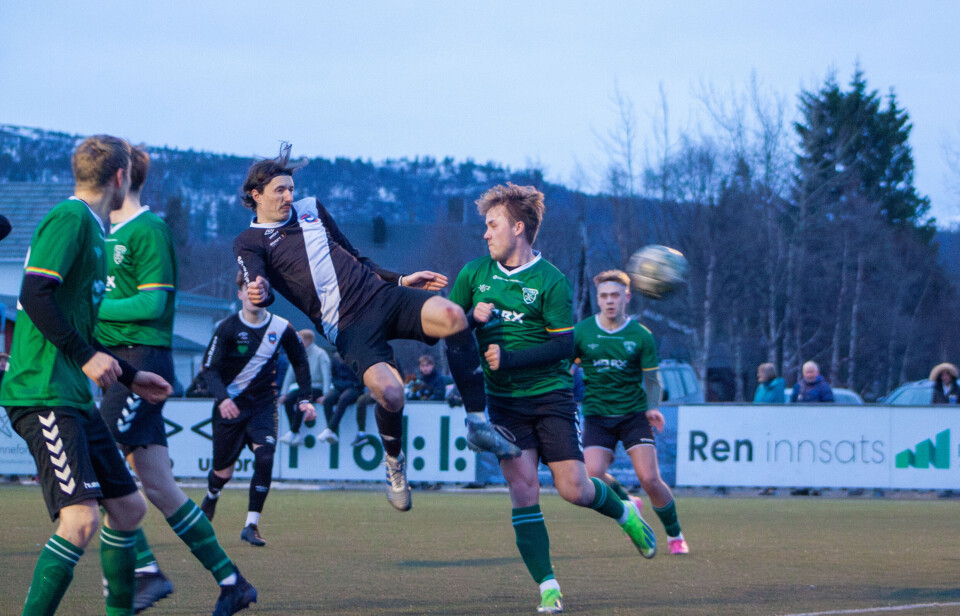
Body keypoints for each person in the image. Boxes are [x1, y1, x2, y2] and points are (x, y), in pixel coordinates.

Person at [232, 145, 520, 512]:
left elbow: (356, 257)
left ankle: (478, 423)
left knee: (453, 316)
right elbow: (258, 283)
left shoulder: (312, 209)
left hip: (382, 296)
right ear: (256, 195)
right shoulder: (250, 241)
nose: (290, 196)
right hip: (348, 327)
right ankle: (394, 464)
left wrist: (401, 279)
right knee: (392, 394)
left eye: (291, 189)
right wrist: (258, 291)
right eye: (280, 191)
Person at [448, 184, 657, 614]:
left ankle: (625, 514)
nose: (485, 234)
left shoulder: (551, 280)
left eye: (493, 225)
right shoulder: (474, 274)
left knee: (574, 489)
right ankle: (548, 586)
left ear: (518, 228)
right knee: (523, 491)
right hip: (503, 404)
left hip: (552, 399)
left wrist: (510, 358)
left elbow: (564, 346)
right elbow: (447, 330)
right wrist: (470, 318)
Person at [0, 135, 173, 616]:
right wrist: (85, 356)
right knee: (79, 521)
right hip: (42, 391)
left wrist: (131, 377)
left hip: (73, 397)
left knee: (130, 509)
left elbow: (78, 328)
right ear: (121, 178)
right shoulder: (69, 218)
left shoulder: (96, 233)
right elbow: (35, 295)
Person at [94, 146, 256, 615]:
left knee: (94, 457)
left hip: (141, 362)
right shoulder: (107, 233)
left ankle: (144, 569)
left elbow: (154, 305)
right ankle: (232, 582)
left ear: (121, 178)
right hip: (121, 364)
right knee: (160, 486)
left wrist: (87, 307)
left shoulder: (150, 229)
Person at [574, 269, 690, 556]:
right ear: (597, 299)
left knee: (650, 479)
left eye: (615, 295)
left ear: (626, 297)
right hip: (598, 415)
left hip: (633, 415)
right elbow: (566, 368)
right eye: (604, 296)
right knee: (592, 475)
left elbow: (651, 378)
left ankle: (675, 534)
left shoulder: (641, 335)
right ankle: (628, 503)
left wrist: (653, 408)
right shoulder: (583, 332)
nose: (609, 301)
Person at [198, 272, 316, 547]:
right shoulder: (226, 328)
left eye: (259, 290)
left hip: (263, 406)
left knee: (265, 457)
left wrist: (305, 398)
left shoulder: (282, 327)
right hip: (230, 409)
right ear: (240, 294)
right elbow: (210, 369)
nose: (254, 295)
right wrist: (223, 398)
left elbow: (300, 361)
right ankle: (212, 495)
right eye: (248, 290)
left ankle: (251, 524)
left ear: (267, 295)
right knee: (222, 472)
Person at [278, 328, 331, 446]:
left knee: (302, 401)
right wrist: (283, 393)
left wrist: (326, 394)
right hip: (302, 387)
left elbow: (326, 375)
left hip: (316, 388)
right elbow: (290, 375)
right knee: (288, 401)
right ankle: (295, 433)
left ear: (309, 340)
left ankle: (293, 432)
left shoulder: (320, 354)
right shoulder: (298, 353)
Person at [317, 352, 362, 443]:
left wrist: (353, 385)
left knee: (343, 398)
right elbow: (334, 375)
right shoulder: (335, 357)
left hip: (355, 388)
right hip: (339, 387)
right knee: (328, 400)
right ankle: (331, 431)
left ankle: (330, 429)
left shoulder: (358, 356)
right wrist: (337, 385)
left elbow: (360, 378)